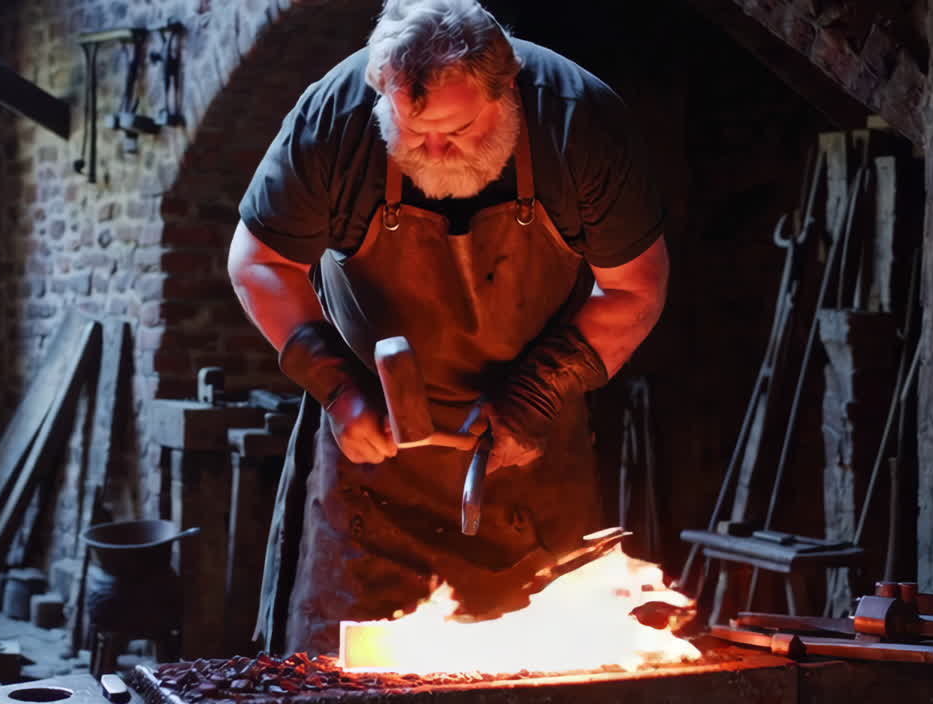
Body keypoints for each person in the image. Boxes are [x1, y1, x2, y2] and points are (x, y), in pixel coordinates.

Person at [228, 0, 669, 656]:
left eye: (454, 132)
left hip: (529, 457)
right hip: (368, 477)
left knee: (542, 683)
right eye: (410, 131)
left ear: (507, 89)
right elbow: (258, 261)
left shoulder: (578, 122)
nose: (428, 153)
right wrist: (337, 388)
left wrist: (539, 392)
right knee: (341, 683)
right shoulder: (337, 118)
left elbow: (635, 286)